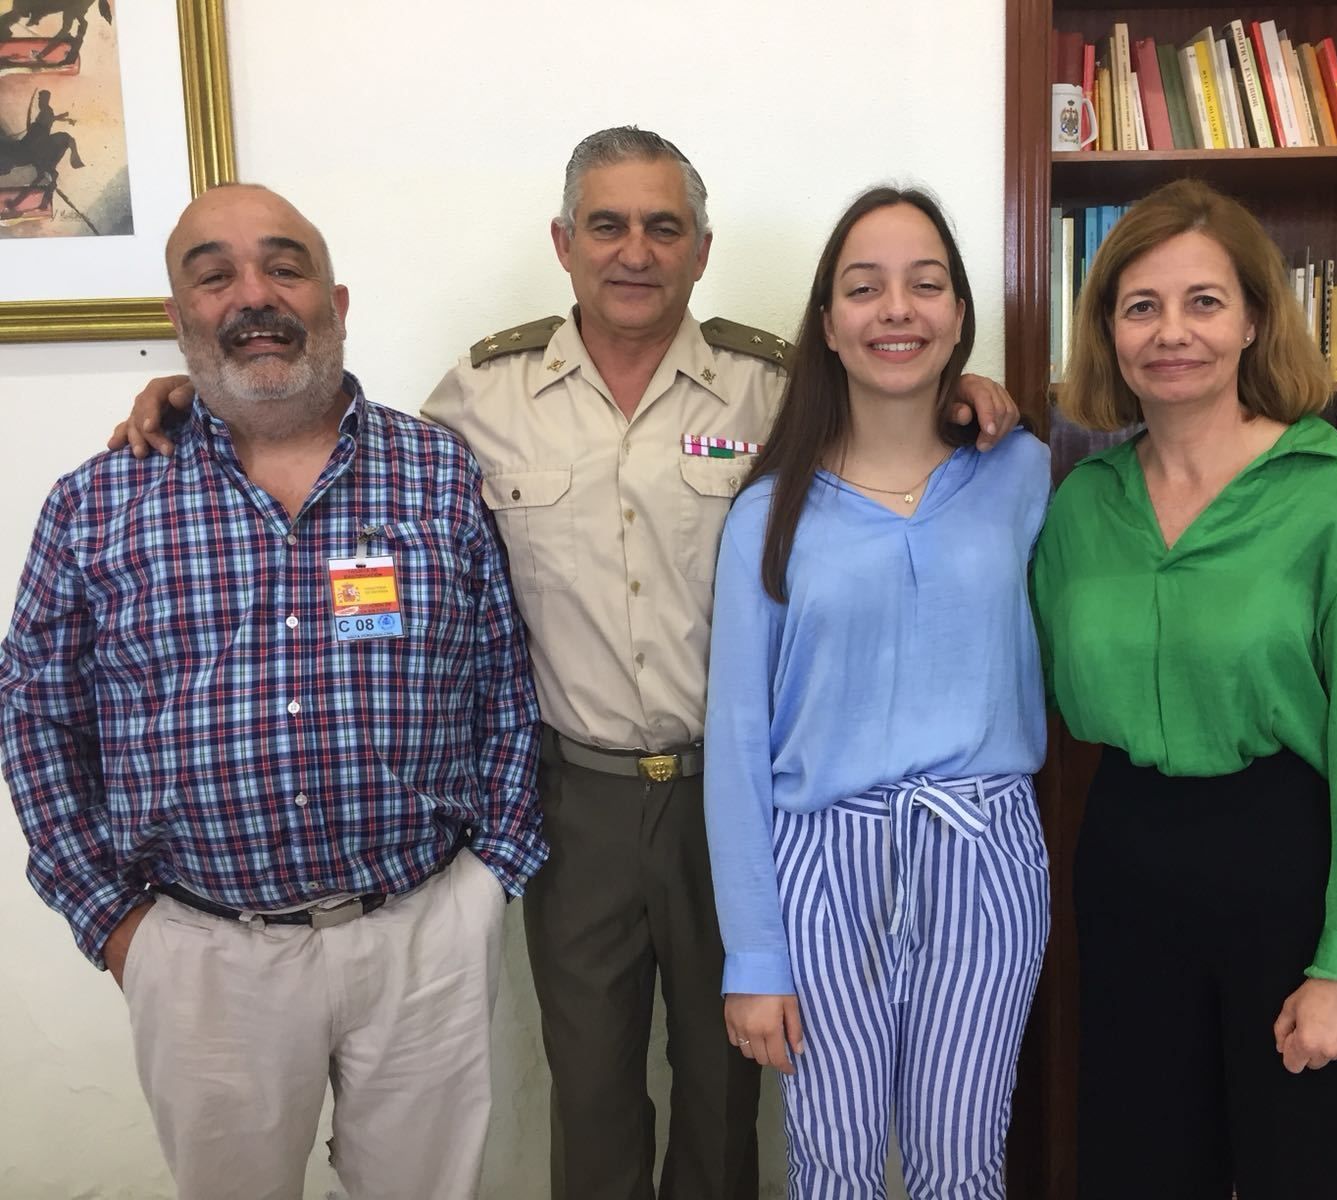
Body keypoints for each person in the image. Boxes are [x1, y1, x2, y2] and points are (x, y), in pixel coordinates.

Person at [107, 127, 1021, 1200]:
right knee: (587, 1087)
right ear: (564, 242)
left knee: (733, 1083)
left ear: (700, 249)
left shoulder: (768, 389)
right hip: (574, 794)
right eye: (607, 225)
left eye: (662, 227)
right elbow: (345, 450)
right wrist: (190, 402)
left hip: (743, 800)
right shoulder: (482, 397)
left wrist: (968, 397)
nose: (634, 251)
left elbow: (886, 439)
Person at [1, 183, 545, 1200]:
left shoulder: (435, 471)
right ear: (179, 318)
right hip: (206, 955)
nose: (254, 296)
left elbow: (506, 683)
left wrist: (489, 878)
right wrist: (115, 924)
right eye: (215, 275)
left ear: (335, 298)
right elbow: (33, 716)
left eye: (284, 267)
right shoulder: (96, 502)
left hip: (422, 931)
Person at [1031, 178, 1337, 1199]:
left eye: (1203, 302)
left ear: (1253, 317)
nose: (1173, 333)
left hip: (1285, 861)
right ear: (1107, 330)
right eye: (1140, 305)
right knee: (1138, 1166)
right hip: (1123, 856)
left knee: (1310, 1164)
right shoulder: (1082, 504)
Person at [705, 186, 1051, 1199]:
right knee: (834, 1163)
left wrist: (998, 402)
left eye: (925, 285)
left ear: (957, 318)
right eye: (865, 289)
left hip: (984, 854)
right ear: (827, 325)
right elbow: (733, 743)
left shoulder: (1022, 474)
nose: (896, 309)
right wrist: (754, 954)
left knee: (961, 1160)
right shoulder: (767, 512)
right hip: (819, 860)